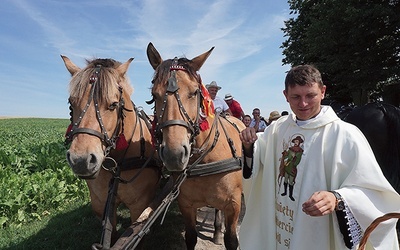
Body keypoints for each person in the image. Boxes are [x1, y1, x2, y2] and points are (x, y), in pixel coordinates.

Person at [239, 65, 400, 250]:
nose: (303, 104)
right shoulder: (278, 129)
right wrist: (250, 146)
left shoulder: (345, 135)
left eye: (310, 95)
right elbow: (261, 158)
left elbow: (374, 192)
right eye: (295, 97)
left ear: (323, 92)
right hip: (280, 223)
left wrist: (337, 199)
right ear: (285, 95)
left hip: (319, 231)